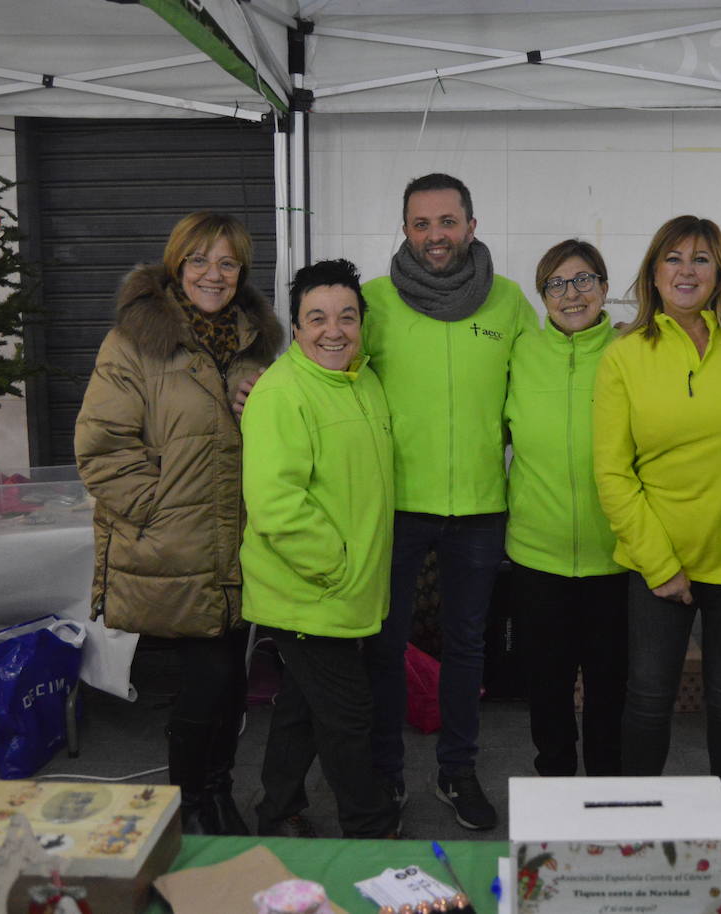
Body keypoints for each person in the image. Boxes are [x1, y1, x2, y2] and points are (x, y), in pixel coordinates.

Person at [75, 211, 282, 835]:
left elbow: (281, 441)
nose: (212, 275)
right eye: (198, 261)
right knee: (209, 676)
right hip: (178, 542)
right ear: (176, 265)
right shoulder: (134, 342)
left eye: (227, 262)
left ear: (241, 271)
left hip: (241, 543)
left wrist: (265, 407)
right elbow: (100, 447)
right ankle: (194, 804)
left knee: (227, 680)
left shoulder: (259, 345)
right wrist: (158, 514)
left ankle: (212, 794)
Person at [361, 173, 536, 830]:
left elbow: (537, 394)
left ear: (471, 224)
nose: (435, 236)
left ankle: (456, 770)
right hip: (398, 508)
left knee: (467, 646)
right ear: (405, 230)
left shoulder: (511, 303)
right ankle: (385, 774)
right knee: (384, 644)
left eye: (447, 221)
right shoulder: (372, 302)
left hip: (481, 509)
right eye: (421, 223)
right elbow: (330, 378)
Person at [592, 215, 721, 813]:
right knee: (646, 700)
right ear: (653, 273)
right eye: (673, 258)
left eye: (700, 258)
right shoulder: (623, 356)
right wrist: (659, 564)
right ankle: (634, 830)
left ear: (720, 271)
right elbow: (613, 473)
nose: (686, 270)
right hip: (657, 562)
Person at [240, 258, 399, 839]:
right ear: (297, 326)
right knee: (349, 716)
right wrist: (336, 566)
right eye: (317, 318)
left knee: (303, 708)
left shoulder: (364, 381)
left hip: (343, 590)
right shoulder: (283, 393)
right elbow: (275, 503)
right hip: (309, 589)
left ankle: (276, 812)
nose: (334, 330)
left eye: (347, 317)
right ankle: (370, 828)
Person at [505, 239, 627, 777]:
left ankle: (604, 793)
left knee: (609, 689)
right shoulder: (520, 354)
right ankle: (554, 787)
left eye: (582, 280)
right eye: (555, 284)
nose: (570, 294)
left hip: (617, 557)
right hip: (537, 556)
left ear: (604, 286)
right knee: (546, 688)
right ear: (542, 297)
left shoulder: (631, 352)